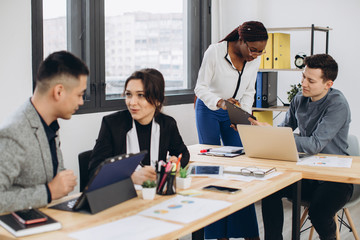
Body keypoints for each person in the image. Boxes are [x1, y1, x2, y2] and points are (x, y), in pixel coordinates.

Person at [249, 54, 353, 240]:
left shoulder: (337, 104)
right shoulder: (299, 99)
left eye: (310, 80)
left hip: (335, 179)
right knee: (270, 190)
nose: (303, 83)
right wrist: (267, 132)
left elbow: (314, 144)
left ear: (328, 84)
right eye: (303, 77)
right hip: (306, 173)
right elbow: (284, 130)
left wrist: (279, 136)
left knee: (319, 213)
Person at [194, 21, 268, 240]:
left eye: (261, 51)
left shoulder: (254, 59)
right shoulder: (215, 52)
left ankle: (247, 233)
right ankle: (216, 234)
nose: (256, 55)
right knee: (212, 169)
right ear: (241, 41)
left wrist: (243, 117)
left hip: (234, 112)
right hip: (209, 109)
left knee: (240, 168)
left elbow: (249, 92)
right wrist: (221, 103)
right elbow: (200, 87)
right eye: (253, 49)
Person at [0, 51, 89, 213]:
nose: (81, 102)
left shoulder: (50, 123)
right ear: (59, 92)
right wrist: (48, 192)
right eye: (80, 94)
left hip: (48, 216)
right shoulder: (14, 132)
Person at [88, 68, 189, 185]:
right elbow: (94, 171)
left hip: (155, 193)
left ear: (157, 100)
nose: (132, 102)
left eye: (140, 95)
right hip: (123, 195)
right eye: (128, 94)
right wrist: (131, 177)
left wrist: (176, 162)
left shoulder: (167, 124)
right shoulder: (112, 124)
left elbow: (183, 153)